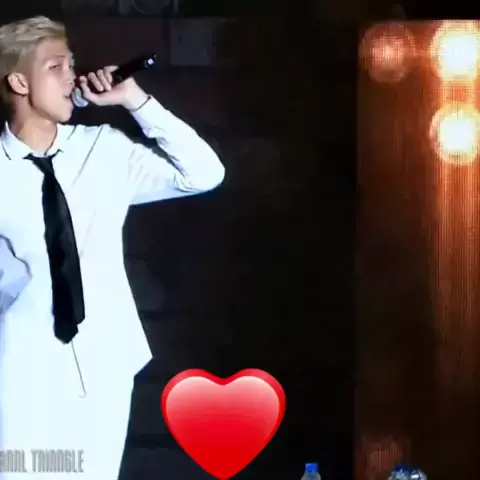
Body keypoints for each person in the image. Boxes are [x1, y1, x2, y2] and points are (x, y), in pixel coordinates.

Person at [0, 15, 225, 480]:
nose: (72, 77)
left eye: (72, 65)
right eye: (56, 68)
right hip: (21, 369)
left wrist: (136, 101)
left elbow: (204, 174)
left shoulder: (104, 149)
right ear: (19, 82)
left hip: (104, 364)